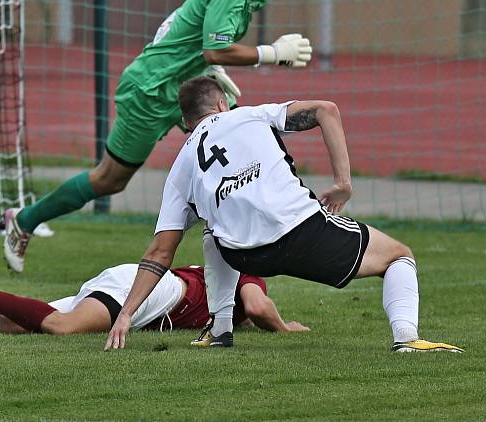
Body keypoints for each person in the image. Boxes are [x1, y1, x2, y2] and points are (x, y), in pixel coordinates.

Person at [3, 0, 313, 272]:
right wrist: (270, 53)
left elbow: (177, 26)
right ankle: (25, 220)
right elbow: (215, 49)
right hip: (149, 91)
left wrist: (206, 70)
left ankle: (276, 235)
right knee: (110, 180)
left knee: (243, 145)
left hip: (184, 86)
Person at [104, 77, 463, 353]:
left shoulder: (181, 166)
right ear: (221, 102)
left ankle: (220, 329)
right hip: (301, 233)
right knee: (399, 255)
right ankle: (407, 338)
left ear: (186, 121)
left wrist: (126, 313)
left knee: (213, 229)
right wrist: (343, 183)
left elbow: (159, 253)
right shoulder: (249, 114)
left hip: (245, 255)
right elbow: (327, 110)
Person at [0, 263, 309, 336]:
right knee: (61, 327)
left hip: (135, 281)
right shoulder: (246, 271)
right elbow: (255, 306)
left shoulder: (223, 261)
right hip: (157, 292)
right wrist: (285, 327)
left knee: (18, 326)